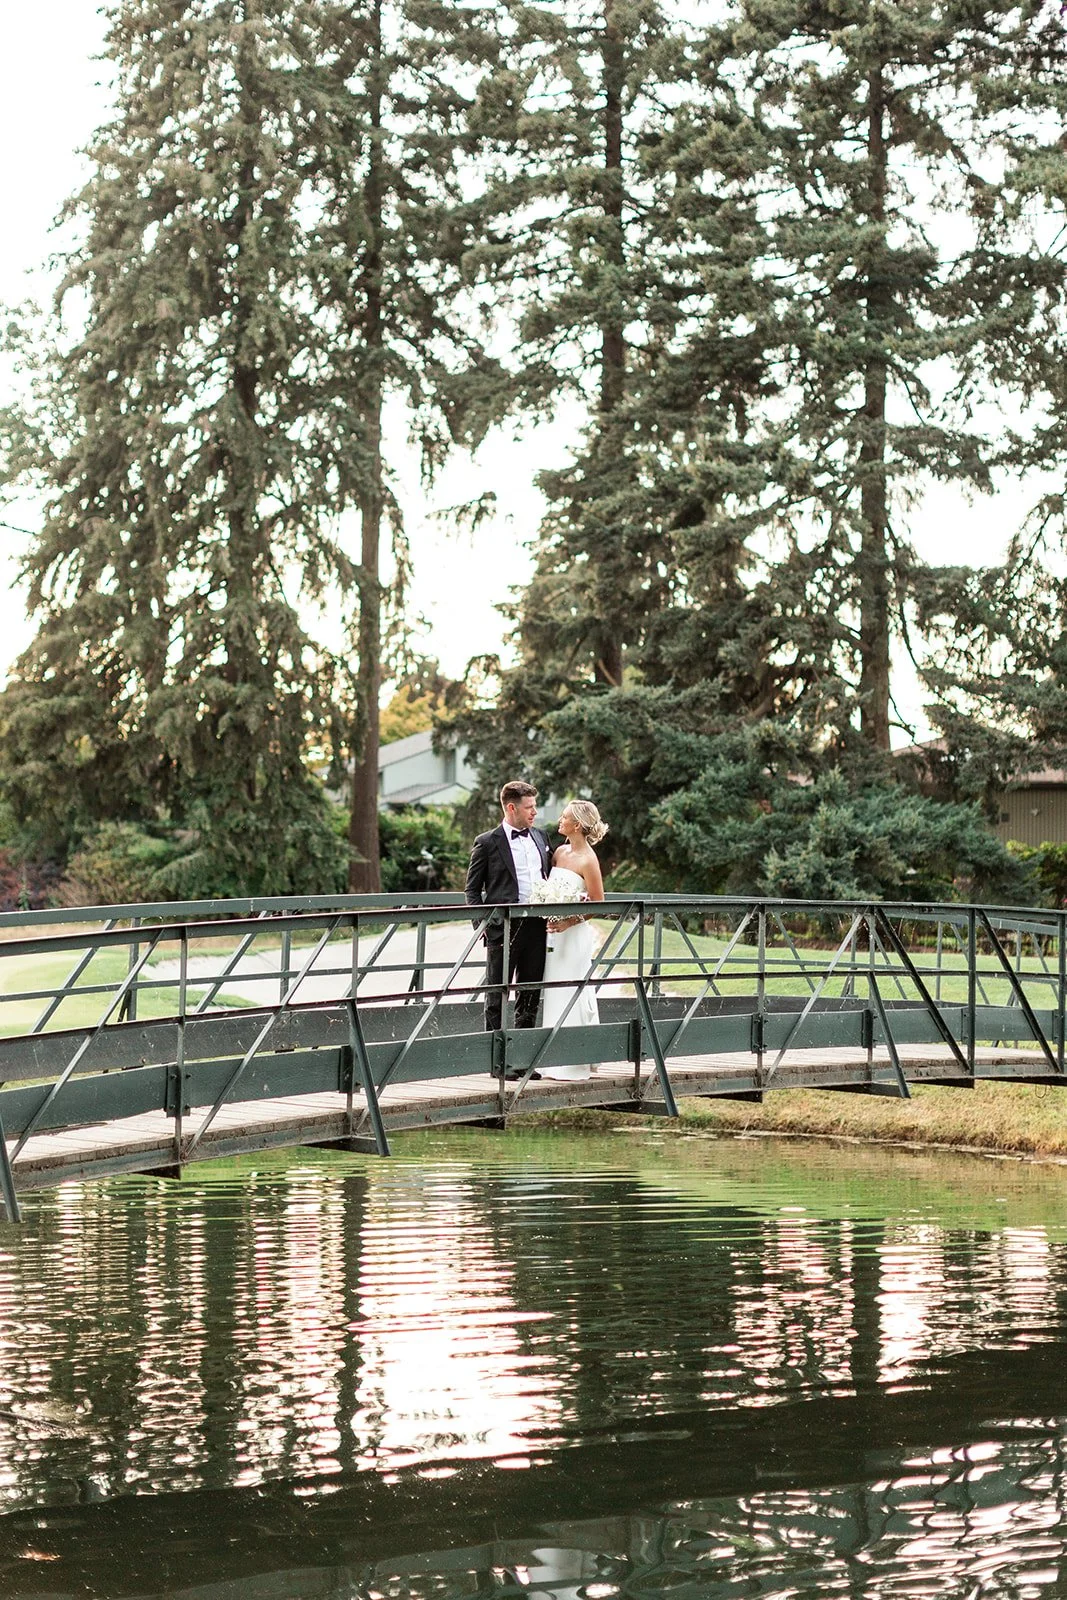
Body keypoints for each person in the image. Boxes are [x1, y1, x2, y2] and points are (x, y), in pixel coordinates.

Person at [465, 779, 551, 1079]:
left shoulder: (541, 837)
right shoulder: (487, 842)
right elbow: (472, 891)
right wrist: (483, 926)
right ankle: (497, 1064)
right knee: (496, 996)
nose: (534, 812)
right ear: (511, 807)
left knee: (530, 993)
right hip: (503, 928)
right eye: (529, 807)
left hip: (537, 928)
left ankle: (523, 1060)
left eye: (535, 806)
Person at [539, 800, 608, 1082]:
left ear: (576, 825)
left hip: (574, 935)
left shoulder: (588, 860)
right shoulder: (558, 852)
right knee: (553, 991)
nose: (560, 820)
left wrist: (569, 920)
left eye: (564, 817)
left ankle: (574, 1062)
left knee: (572, 991)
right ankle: (549, 1060)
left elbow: (598, 903)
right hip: (552, 936)